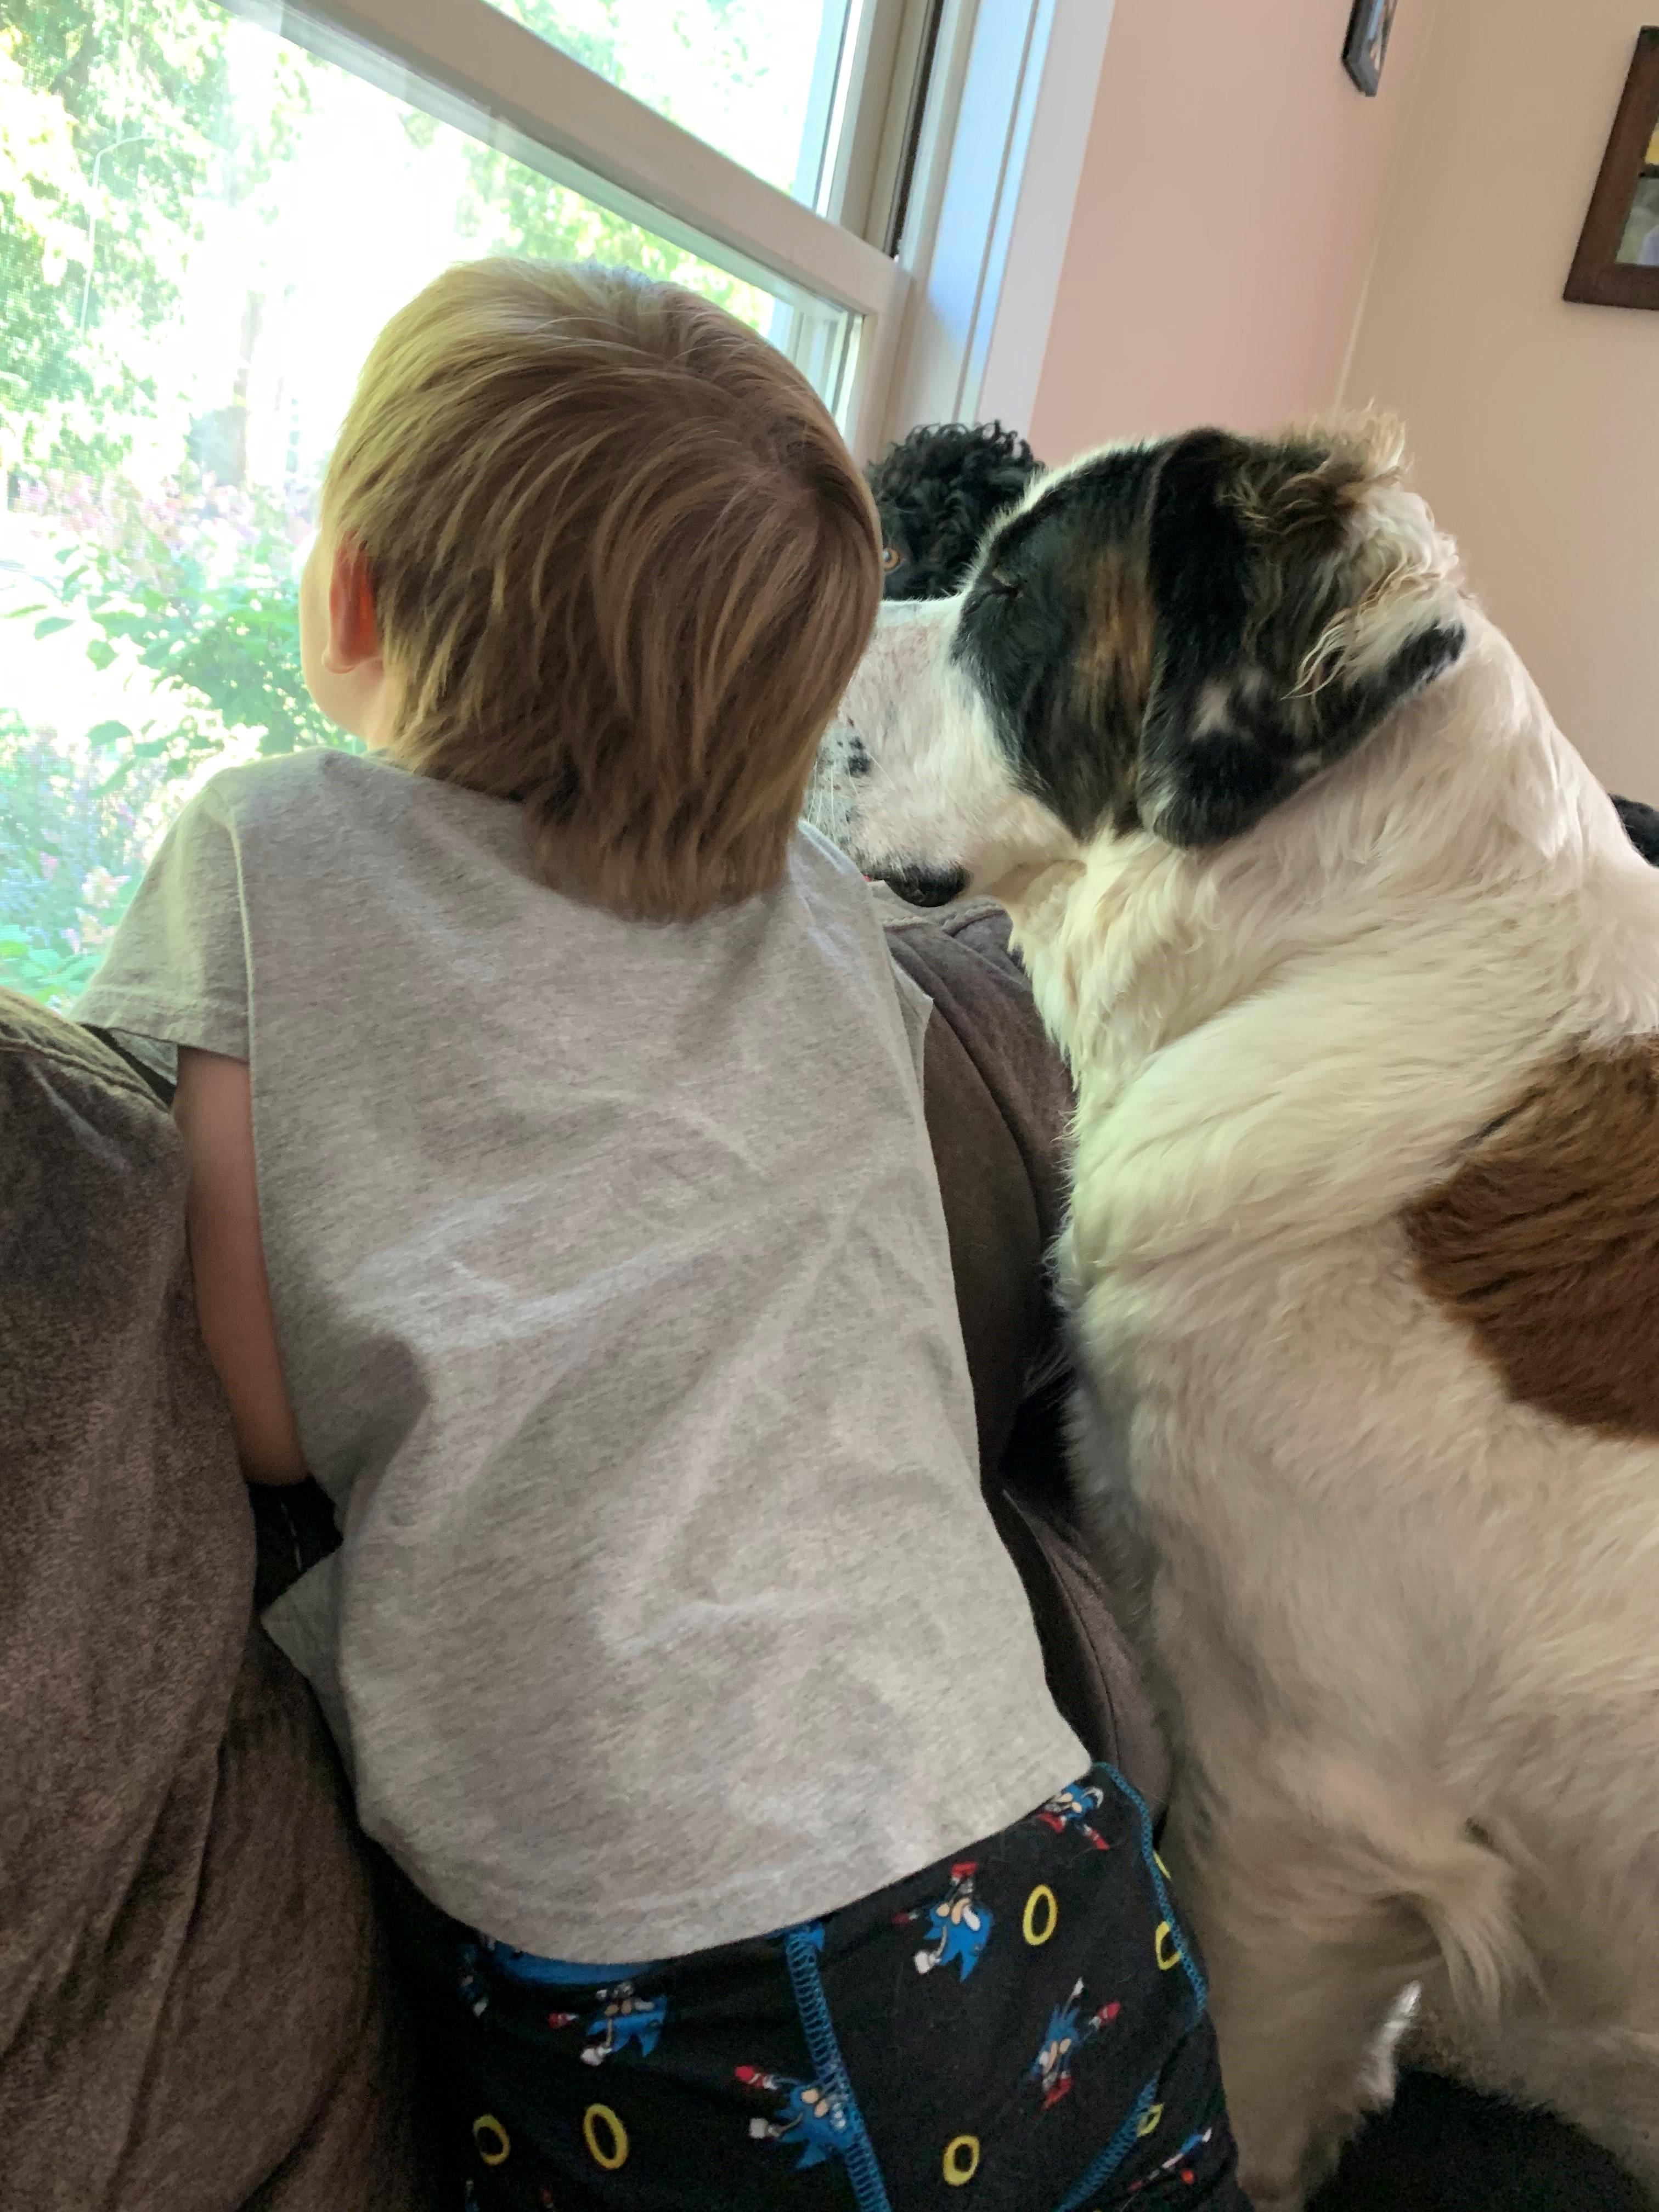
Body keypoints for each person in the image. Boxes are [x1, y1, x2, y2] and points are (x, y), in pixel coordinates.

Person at [75, 258, 1242, 2209]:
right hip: (1049, 1848)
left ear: (349, 593)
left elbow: (264, 1414)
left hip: (696, 1972)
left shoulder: (270, 852)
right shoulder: (827, 919)